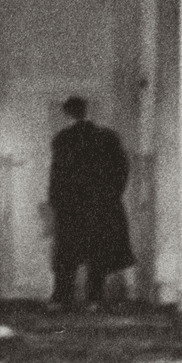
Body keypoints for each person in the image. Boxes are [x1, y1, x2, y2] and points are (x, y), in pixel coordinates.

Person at [47, 96, 135, 310]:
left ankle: (61, 298)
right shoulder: (107, 137)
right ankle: (94, 299)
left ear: (67, 114)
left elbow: (57, 174)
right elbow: (122, 169)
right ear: (88, 111)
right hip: (100, 205)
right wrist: (112, 195)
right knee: (97, 253)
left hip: (72, 206)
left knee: (67, 254)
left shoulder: (63, 139)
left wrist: (56, 201)